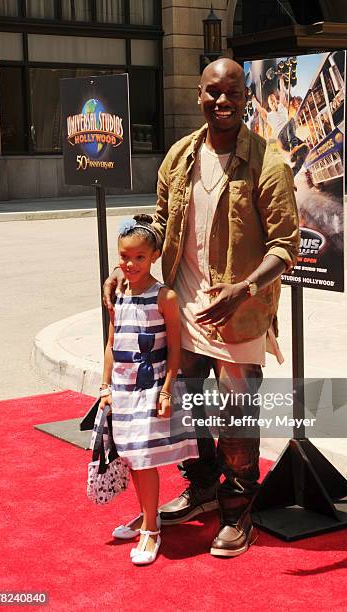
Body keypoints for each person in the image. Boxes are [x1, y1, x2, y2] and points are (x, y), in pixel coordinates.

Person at [104, 58, 300, 558]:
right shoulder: (179, 156)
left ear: (246, 96)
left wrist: (245, 288)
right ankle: (204, 485)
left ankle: (238, 512)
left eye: (232, 92)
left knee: (236, 419)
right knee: (184, 413)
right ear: (199, 95)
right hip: (184, 310)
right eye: (213, 92)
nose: (222, 101)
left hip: (241, 314)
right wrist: (127, 269)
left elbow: (285, 245)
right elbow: (161, 224)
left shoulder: (267, 163)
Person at [100, 214, 198, 566]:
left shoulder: (165, 296)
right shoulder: (119, 293)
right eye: (125, 257)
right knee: (131, 456)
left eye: (139, 257)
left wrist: (168, 390)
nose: (130, 264)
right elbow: (111, 342)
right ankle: (147, 516)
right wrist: (105, 386)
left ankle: (151, 531)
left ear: (154, 255)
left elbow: (175, 348)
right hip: (123, 387)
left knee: (143, 458)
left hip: (152, 383)